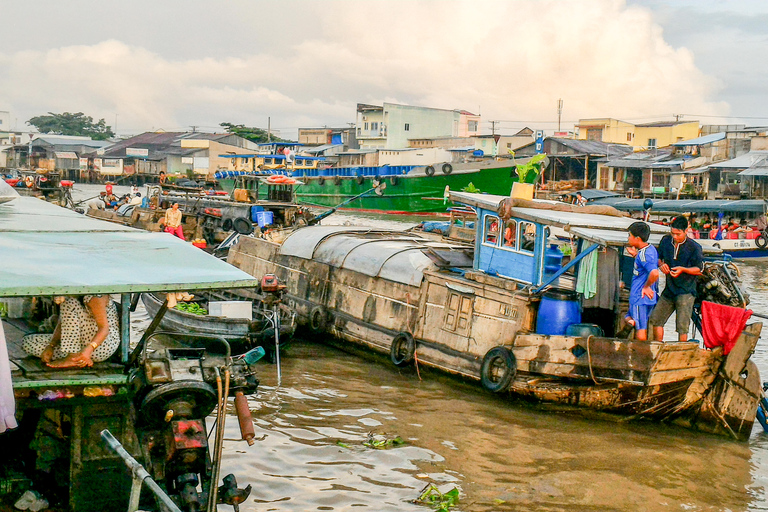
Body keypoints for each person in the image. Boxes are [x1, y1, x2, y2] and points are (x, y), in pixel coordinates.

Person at [22, 295, 120, 369]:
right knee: (28, 342)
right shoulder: (74, 295)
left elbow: (104, 329)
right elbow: (63, 324)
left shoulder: (95, 297)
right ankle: (76, 357)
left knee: (68, 302)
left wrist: (88, 351)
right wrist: (51, 346)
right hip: (78, 344)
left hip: (100, 346)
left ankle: (71, 357)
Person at [648, 216, 703, 342]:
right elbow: (658, 258)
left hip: (686, 291)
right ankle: (658, 346)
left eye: (678, 234)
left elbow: (699, 269)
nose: (675, 237)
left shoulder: (694, 247)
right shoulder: (666, 241)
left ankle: (681, 351)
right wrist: (661, 265)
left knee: (682, 327)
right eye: (673, 233)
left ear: (685, 231)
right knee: (656, 319)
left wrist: (683, 269)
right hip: (669, 290)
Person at [624, 222, 659, 341]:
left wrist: (646, 286)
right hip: (649, 297)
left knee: (641, 327)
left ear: (637, 238)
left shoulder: (643, 255)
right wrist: (635, 256)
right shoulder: (651, 249)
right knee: (632, 318)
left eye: (630, 235)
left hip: (640, 296)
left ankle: (641, 353)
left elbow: (654, 273)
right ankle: (631, 323)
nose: (628, 238)